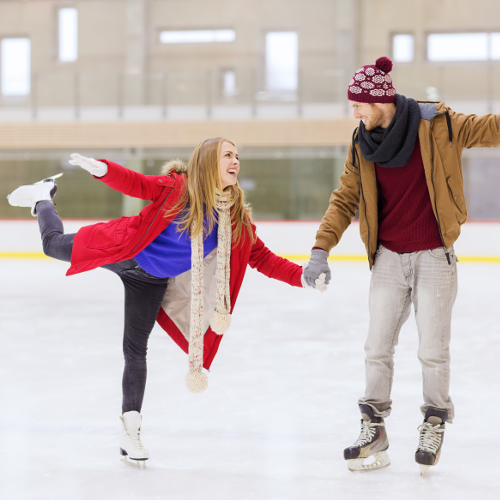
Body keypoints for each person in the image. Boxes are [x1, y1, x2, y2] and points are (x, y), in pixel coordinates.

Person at [7, 137, 327, 469]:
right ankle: (43, 197)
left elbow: (263, 258)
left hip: (149, 280)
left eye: (238, 156)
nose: (236, 161)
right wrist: (104, 169)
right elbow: (137, 184)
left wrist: (302, 276)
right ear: (207, 162)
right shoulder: (178, 188)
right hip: (124, 249)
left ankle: (130, 430)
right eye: (228, 155)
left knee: (135, 348)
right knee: (52, 245)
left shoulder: (234, 220)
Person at [303, 56, 500, 475]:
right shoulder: (362, 142)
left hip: (433, 255)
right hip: (388, 259)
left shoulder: (437, 124)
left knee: (432, 350)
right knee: (376, 348)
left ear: (381, 101)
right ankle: (373, 427)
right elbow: (344, 199)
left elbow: (491, 128)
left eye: (358, 105)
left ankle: (434, 420)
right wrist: (321, 248)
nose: (353, 113)